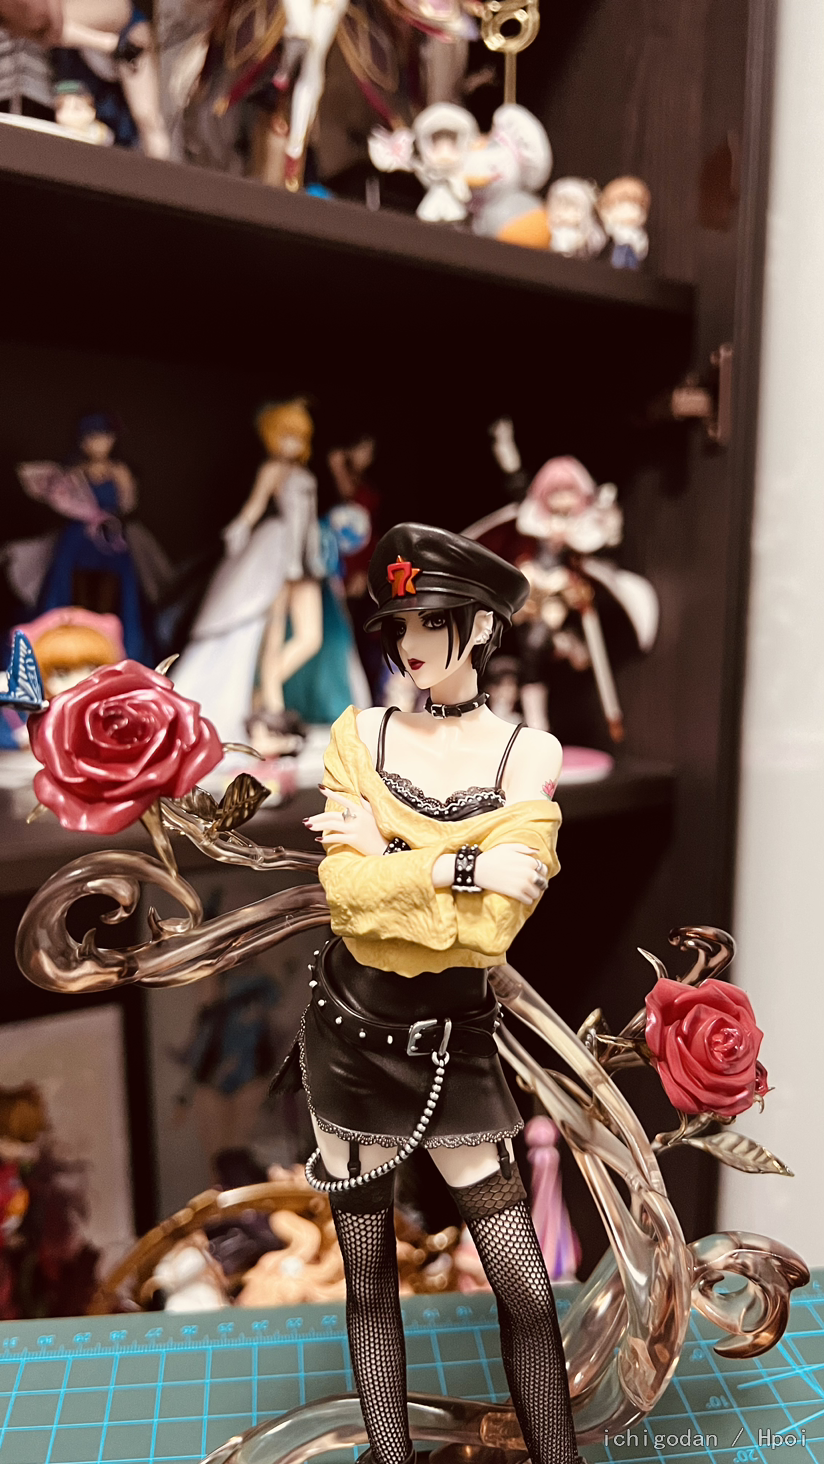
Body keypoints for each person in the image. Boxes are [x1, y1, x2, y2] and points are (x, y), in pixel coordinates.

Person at [284, 522, 583, 1464]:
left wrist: (392, 855)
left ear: (483, 626)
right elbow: (346, 899)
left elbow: (495, 931)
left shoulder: (528, 752)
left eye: (431, 621)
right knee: (368, 1281)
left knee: (524, 1286)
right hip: (351, 1030)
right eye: (398, 624)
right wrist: (465, 864)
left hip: (456, 1044)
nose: (410, 643)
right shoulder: (358, 734)